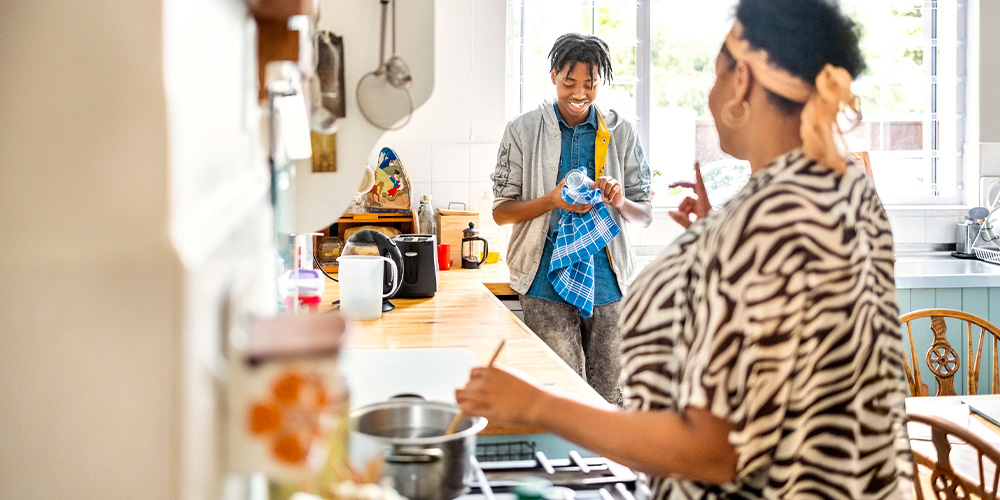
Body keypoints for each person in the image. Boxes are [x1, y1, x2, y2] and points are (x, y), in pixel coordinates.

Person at [459, 0, 914, 497]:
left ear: (742, 82)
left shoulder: (761, 226)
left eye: (717, 75)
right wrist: (716, 229)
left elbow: (713, 451)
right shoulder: (848, 187)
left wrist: (535, 404)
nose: (710, 91)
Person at [490, 33, 653, 404]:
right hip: (543, 283)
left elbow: (643, 216)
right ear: (552, 77)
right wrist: (551, 200)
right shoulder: (523, 131)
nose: (579, 93)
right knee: (561, 396)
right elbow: (501, 212)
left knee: (611, 398)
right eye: (569, 83)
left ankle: (609, 464)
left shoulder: (620, 132)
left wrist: (620, 199)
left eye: (590, 84)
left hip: (609, 287)